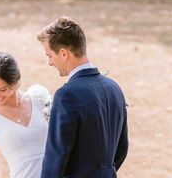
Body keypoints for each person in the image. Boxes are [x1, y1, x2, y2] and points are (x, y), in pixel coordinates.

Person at [36, 17, 129, 178]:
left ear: (64, 53)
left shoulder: (67, 95)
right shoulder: (114, 88)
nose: (49, 62)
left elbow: (56, 157)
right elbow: (122, 148)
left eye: (49, 55)